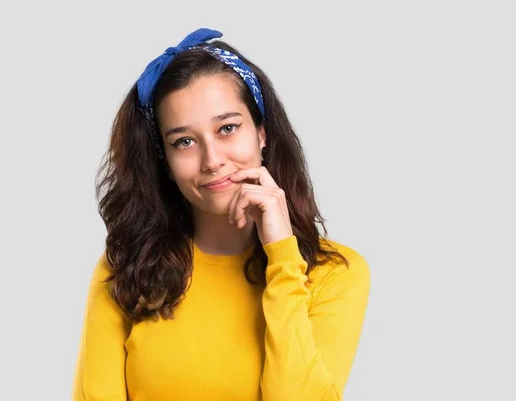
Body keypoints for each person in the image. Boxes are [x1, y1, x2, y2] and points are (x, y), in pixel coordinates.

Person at [72, 28, 370, 401]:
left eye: (227, 128)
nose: (213, 160)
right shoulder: (127, 269)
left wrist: (282, 255)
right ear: (165, 161)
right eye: (185, 141)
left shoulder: (334, 275)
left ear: (262, 134)